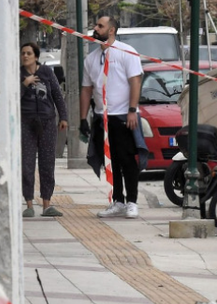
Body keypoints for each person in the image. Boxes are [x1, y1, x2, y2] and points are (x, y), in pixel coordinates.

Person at [80, 15, 146, 219]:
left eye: (100, 26)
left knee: (127, 160)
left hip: (122, 117)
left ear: (111, 30)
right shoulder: (90, 59)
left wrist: (132, 110)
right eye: (95, 25)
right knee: (110, 161)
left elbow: (135, 81)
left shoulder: (126, 52)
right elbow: (86, 90)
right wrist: (83, 118)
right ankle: (117, 200)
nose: (95, 28)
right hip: (102, 118)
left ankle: (132, 202)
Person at [20, 42, 69, 218]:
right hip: (26, 122)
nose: (25, 56)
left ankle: (47, 204)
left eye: (28, 53)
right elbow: (13, 96)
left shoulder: (46, 72)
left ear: (35, 56)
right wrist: (25, 83)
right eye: (23, 53)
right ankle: (29, 204)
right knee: (27, 164)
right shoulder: (19, 74)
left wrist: (63, 117)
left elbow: (56, 94)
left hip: (47, 122)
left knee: (47, 163)